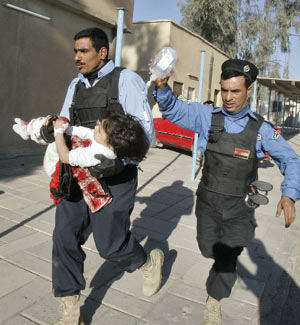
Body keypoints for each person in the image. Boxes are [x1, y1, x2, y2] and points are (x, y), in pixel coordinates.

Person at [14, 27, 164, 325]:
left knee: (110, 244)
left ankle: (147, 261)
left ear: (102, 52)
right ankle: (69, 308)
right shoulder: (76, 85)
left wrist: (119, 162)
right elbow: (65, 122)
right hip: (78, 173)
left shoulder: (127, 80)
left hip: (115, 176)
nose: (77, 57)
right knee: (64, 236)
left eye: (83, 51)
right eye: (75, 51)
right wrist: (48, 129)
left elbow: (146, 136)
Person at [152, 58, 300, 325]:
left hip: (240, 209)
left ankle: (214, 300)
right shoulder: (207, 117)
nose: (228, 98)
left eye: (235, 91)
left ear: (249, 90)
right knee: (208, 250)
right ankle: (218, 267)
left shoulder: (261, 131)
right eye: (224, 90)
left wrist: (289, 193)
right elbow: (173, 110)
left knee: (227, 260)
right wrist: (162, 87)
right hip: (208, 202)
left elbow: (291, 160)